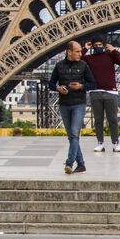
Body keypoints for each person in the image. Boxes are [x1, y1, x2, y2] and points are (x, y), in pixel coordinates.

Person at [49, 42, 91, 174]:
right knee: (72, 136)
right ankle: (82, 164)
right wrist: (58, 88)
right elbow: (51, 83)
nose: (81, 53)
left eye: (80, 51)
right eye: (78, 51)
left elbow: (93, 83)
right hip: (64, 104)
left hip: (79, 103)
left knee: (73, 133)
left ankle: (69, 162)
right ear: (69, 51)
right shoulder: (59, 66)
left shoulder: (83, 65)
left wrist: (81, 86)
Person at [83, 35, 120, 153]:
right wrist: (85, 48)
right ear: (92, 46)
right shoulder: (89, 58)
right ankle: (100, 143)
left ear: (104, 45)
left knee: (113, 119)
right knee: (98, 119)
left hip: (110, 91)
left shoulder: (110, 55)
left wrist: (114, 50)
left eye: (100, 45)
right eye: (95, 45)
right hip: (95, 92)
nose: (98, 47)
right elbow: (78, 60)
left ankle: (116, 143)